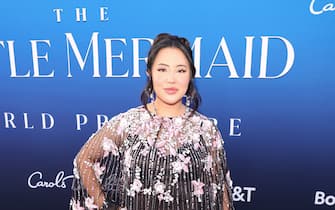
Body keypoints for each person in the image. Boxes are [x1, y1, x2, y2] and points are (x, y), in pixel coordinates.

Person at [69, 33, 234, 210]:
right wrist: (106, 205)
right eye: (162, 69)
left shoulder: (206, 129)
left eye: (181, 70)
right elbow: (84, 159)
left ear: (191, 75)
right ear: (150, 73)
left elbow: (220, 187)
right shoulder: (128, 123)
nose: (171, 79)